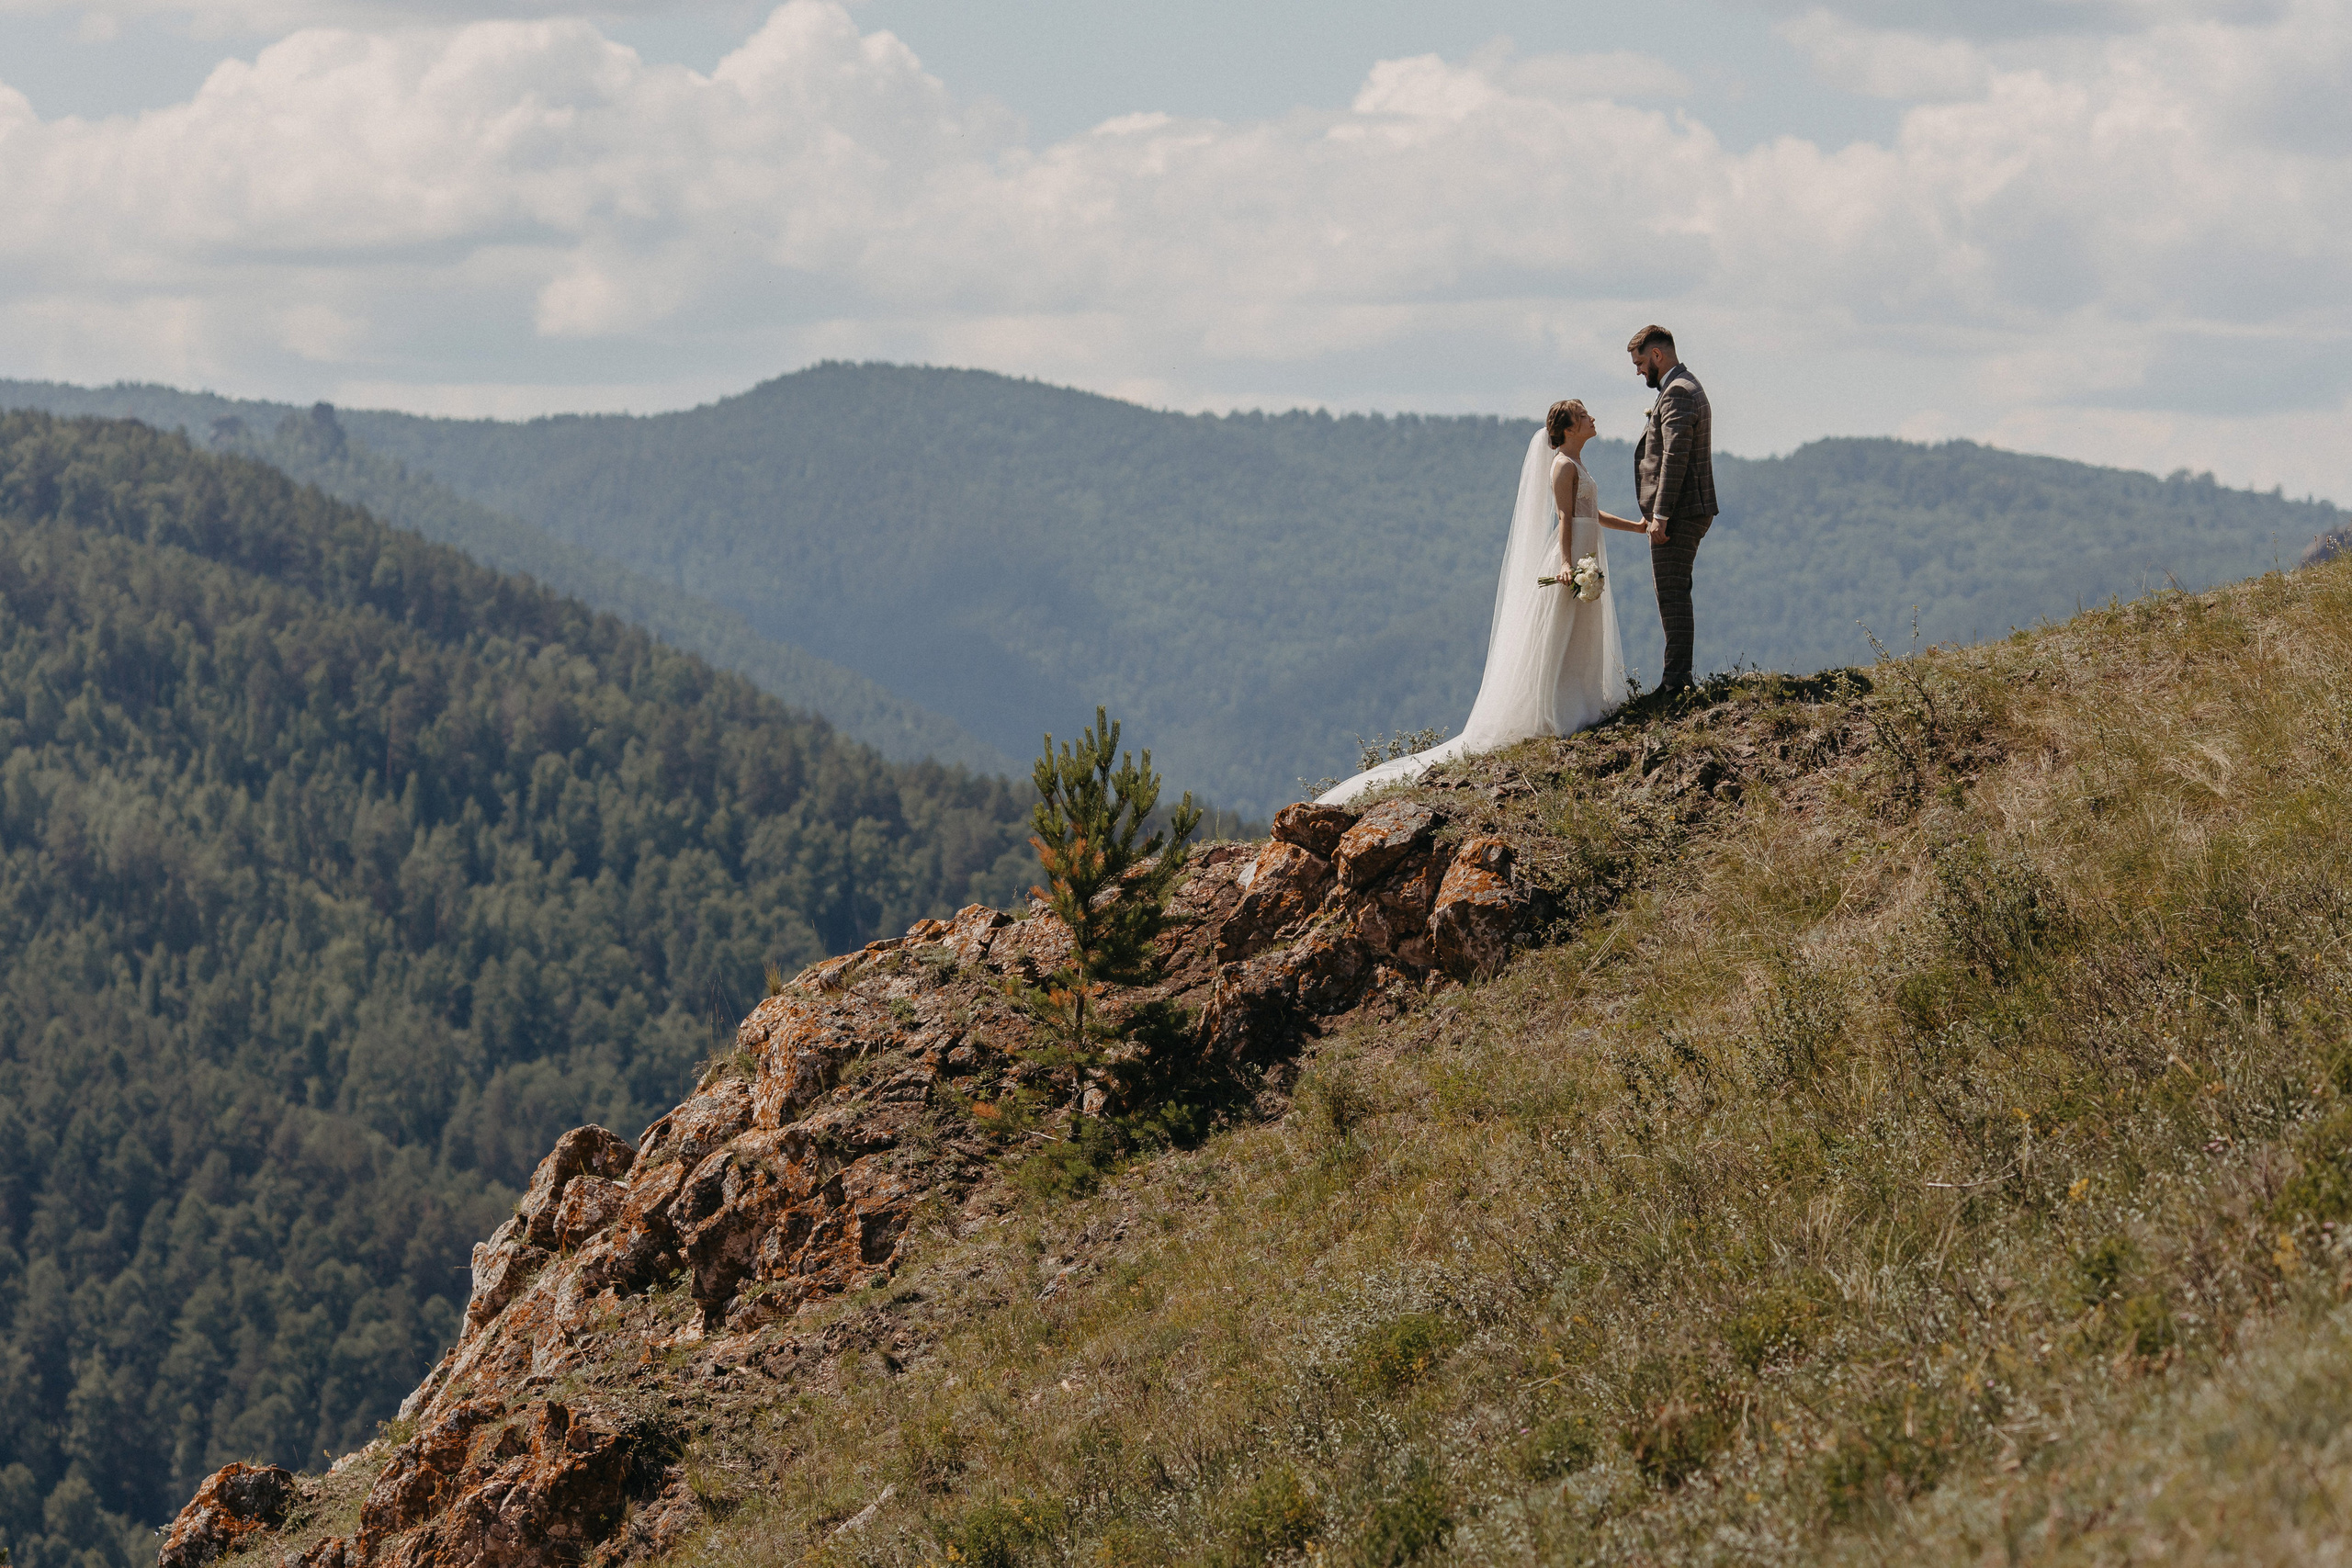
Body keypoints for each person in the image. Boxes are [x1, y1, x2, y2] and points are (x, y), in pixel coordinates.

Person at [1316, 400, 1643, 805]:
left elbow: (1590, 512)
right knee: (1560, 635)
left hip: (1586, 555)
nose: (1592, 417)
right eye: (1584, 414)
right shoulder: (1562, 466)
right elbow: (1564, 518)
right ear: (1570, 427)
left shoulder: (1578, 465)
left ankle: (1582, 701)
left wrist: (1635, 527)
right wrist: (1564, 564)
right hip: (1573, 558)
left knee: (1583, 633)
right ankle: (1558, 710)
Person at [1627, 324, 1718, 694]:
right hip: (1684, 508)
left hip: (1680, 512)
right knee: (1674, 591)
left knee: (1673, 593)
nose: (1637, 371)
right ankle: (1676, 678)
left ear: (1657, 355)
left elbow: (1674, 456)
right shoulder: (1682, 386)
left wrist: (1661, 516)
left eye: (1639, 362)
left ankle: (1676, 683)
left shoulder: (1678, 392)